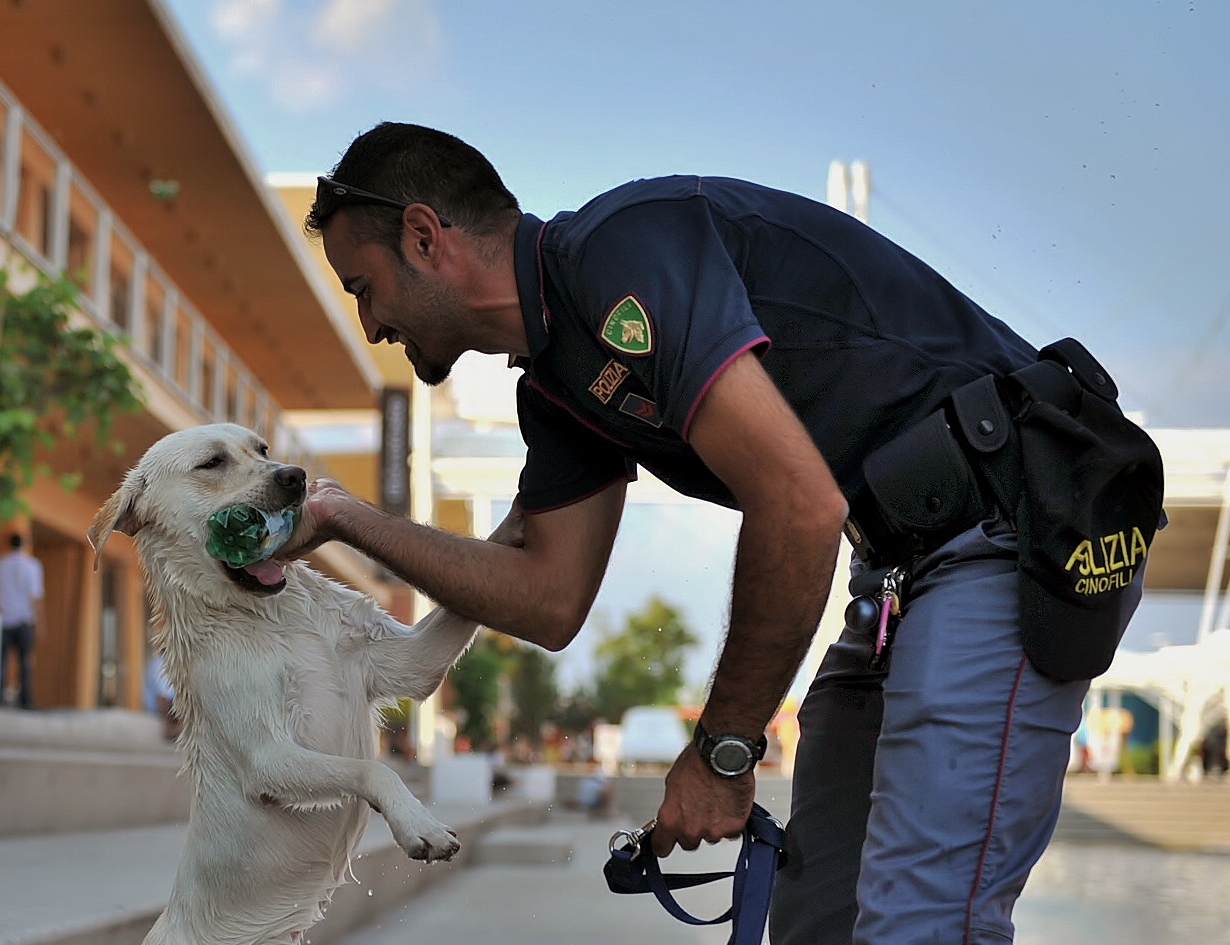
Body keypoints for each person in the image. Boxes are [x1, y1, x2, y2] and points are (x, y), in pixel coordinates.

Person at [285, 122, 1161, 944]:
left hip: (1015, 517)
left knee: (920, 921)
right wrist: (340, 517)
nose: (371, 324)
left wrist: (724, 747)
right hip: (900, 562)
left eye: (366, 287)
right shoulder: (552, 389)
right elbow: (548, 601)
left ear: (426, 236)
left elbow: (798, 505)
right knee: (818, 916)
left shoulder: (625, 249)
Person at [0, 532, 45, 709]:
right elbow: (36, 596)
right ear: (23, 544)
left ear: (8, 544)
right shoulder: (32, 565)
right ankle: (25, 701)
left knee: (0, 661)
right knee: (25, 663)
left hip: (2, 619)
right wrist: (40, 621)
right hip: (24, 620)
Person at [143, 648, 182, 741]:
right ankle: (171, 729)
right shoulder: (159, 664)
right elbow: (162, 697)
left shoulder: (179, 665)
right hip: (163, 708)